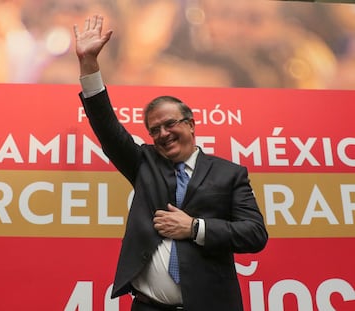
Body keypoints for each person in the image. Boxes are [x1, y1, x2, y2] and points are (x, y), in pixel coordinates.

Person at [73, 15, 268, 311]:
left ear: (190, 124)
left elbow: (254, 234)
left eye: (169, 124)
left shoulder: (229, 174)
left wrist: (194, 228)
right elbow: (106, 125)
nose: (162, 134)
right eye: (154, 130)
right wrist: (89, 63)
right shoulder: (144, 164)